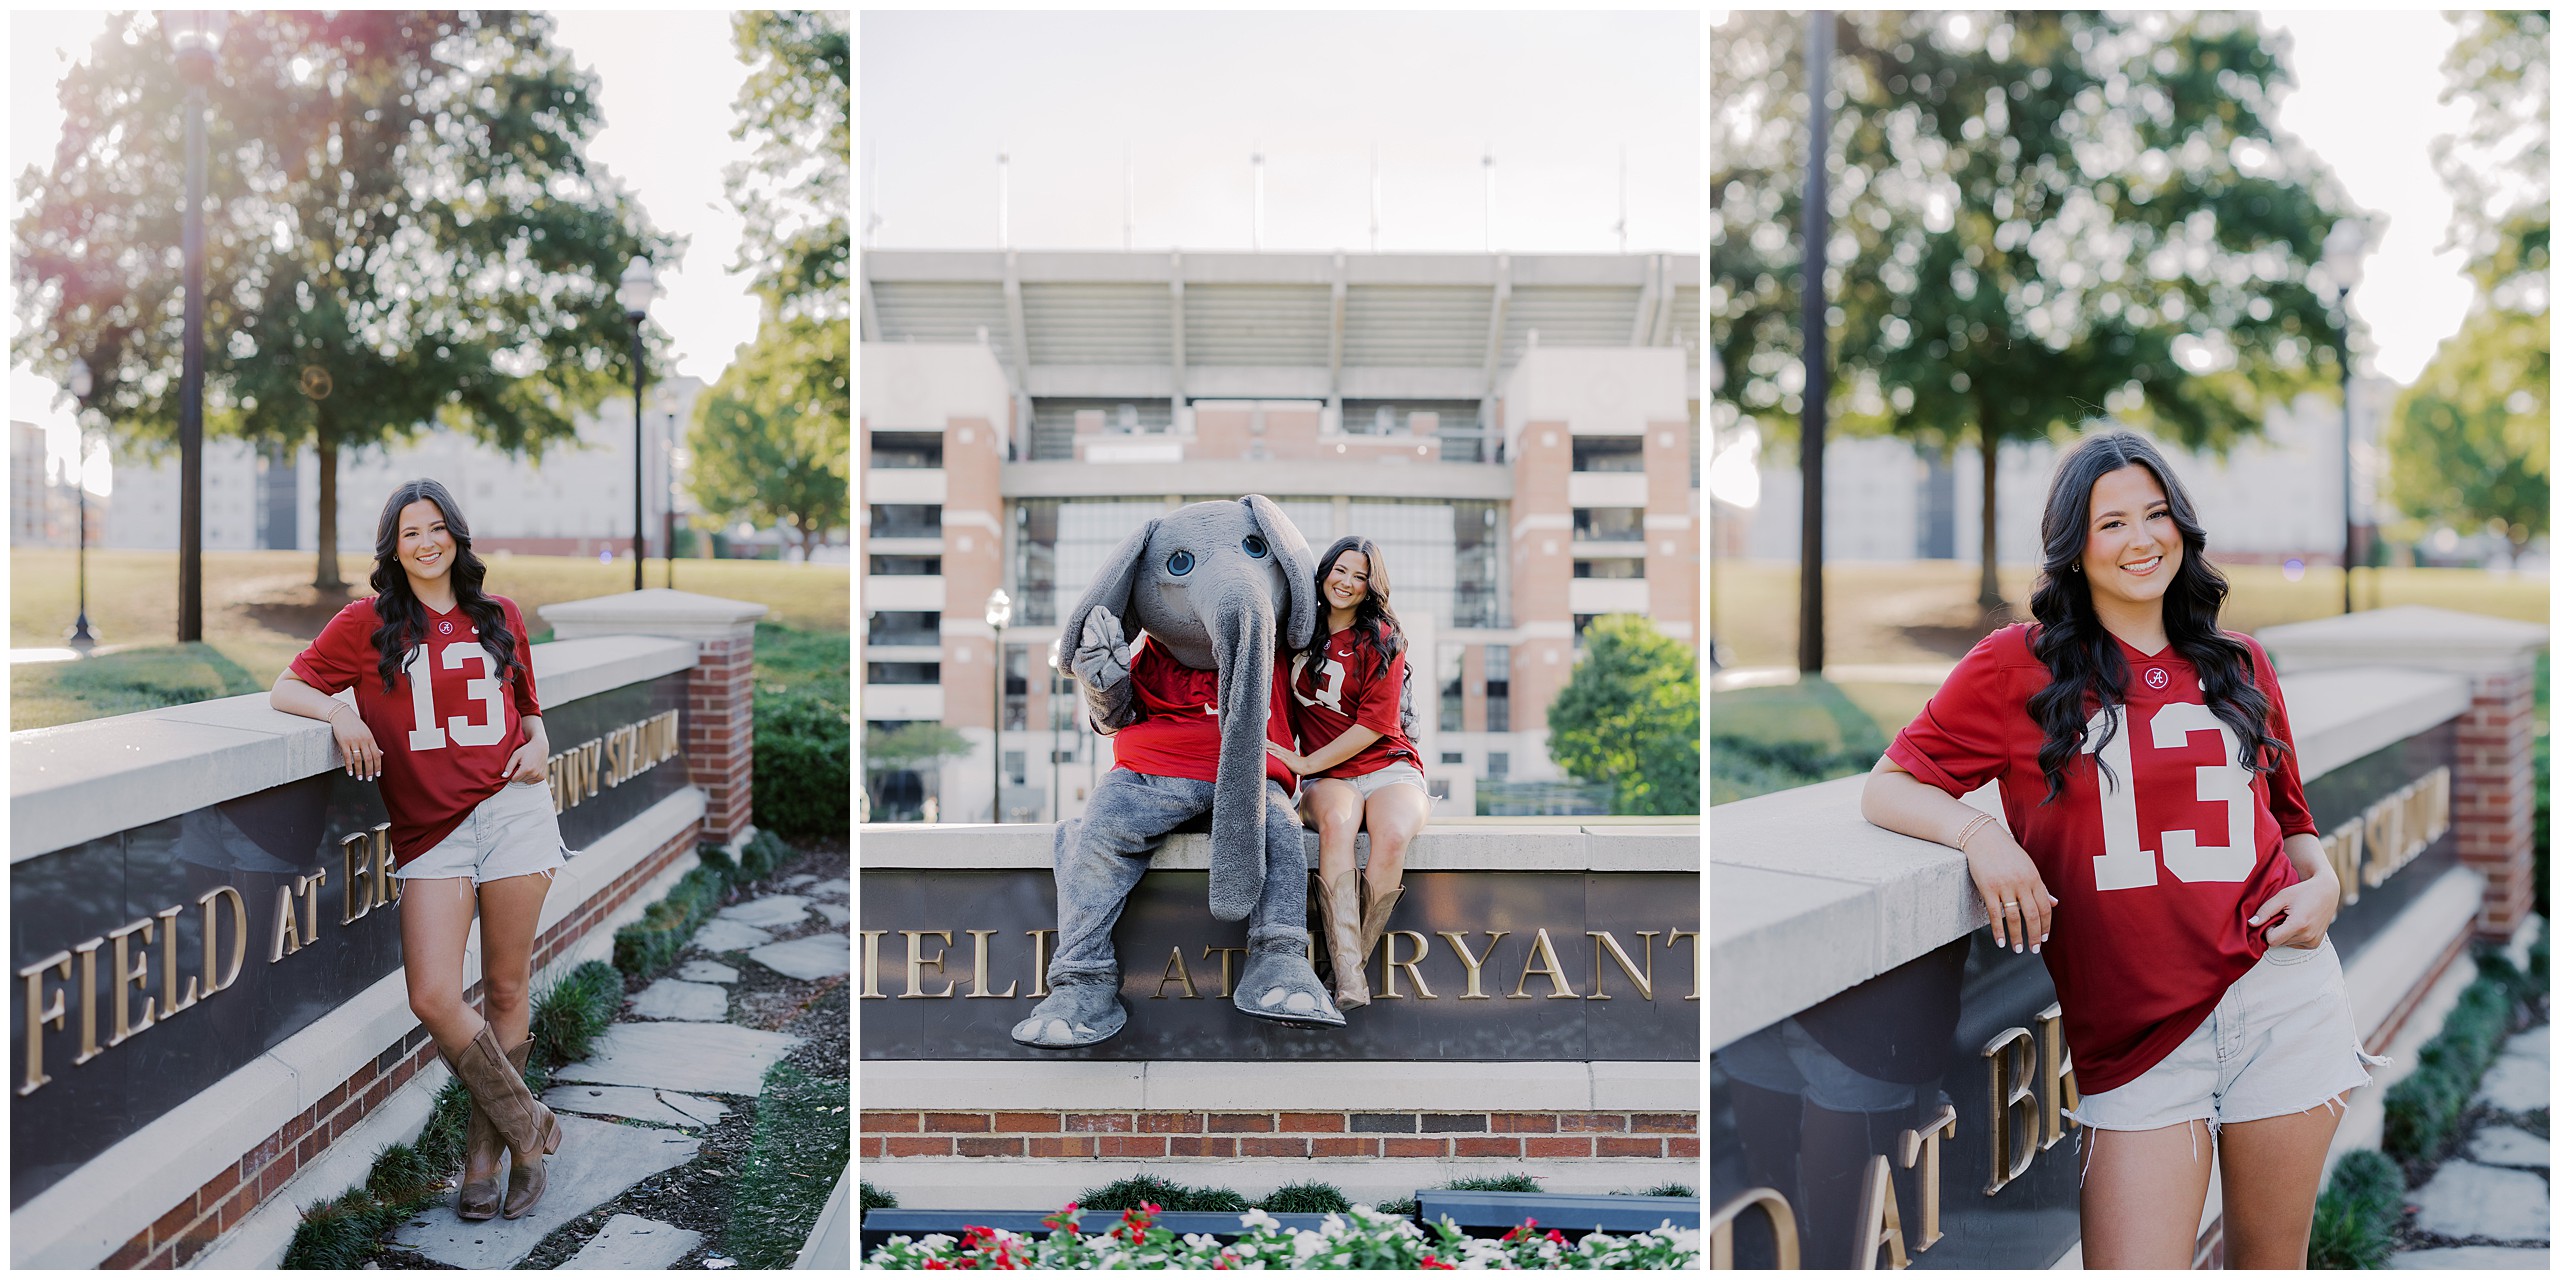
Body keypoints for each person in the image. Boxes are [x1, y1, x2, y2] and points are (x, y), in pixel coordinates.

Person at [1860, 430, 2381, 1268]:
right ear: (2074, 546)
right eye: (2112, 524)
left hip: (2283, 1000)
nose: (2142, 540)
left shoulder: (2242, 663)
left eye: (2157, 514)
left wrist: (2322, 888)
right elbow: (1888, 784)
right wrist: (1980, 834)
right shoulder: (2014, 668)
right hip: (2138, 1037)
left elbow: (2291, 819)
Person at [270, 479, 566, 1222]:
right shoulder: (366, 623)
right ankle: (530, 1130)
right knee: (434, 994)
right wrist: (340, 709)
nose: (426, 542)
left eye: (437, 528)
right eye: (410, 532)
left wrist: (541, 742)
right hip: (429, 831)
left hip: (512, 815)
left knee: (504, 990)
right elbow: (286, 686)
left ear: (457, 536)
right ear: (392, 548)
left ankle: (482, 1164)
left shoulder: (500, 616)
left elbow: (528, 711)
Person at [1272, 536, 1428, 1010]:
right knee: (1338, 825)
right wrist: (1298, 765)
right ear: (1323, 573)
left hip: (1388, 765)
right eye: (1340, 570)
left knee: (1395, 833)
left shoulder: (1383, 638)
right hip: (1330, 778)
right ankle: (1351, 978)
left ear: (1371, 586)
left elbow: (1376, 725)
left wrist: (1302, 762)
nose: (1347, 582)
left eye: (1360, 576)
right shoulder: (1295, 634)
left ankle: (1347, 973)